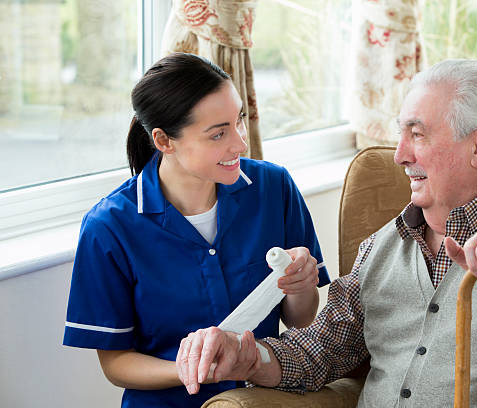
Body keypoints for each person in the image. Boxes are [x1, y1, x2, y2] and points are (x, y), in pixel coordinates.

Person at [175, 59, 477, 407]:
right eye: (400, 134)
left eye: (417, 135)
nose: (400, 155)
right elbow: (320, 351)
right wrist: (246, 356)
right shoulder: (380, 246)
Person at [62, 52, 331, 408]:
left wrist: (300, 285)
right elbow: (116, 364)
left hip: (262, 401)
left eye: (239, 121)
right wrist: (198, 369)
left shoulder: (274, 188)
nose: (240, 143)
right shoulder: (108, 228)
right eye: (218, 134)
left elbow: (300, 318)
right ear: (163, 141)